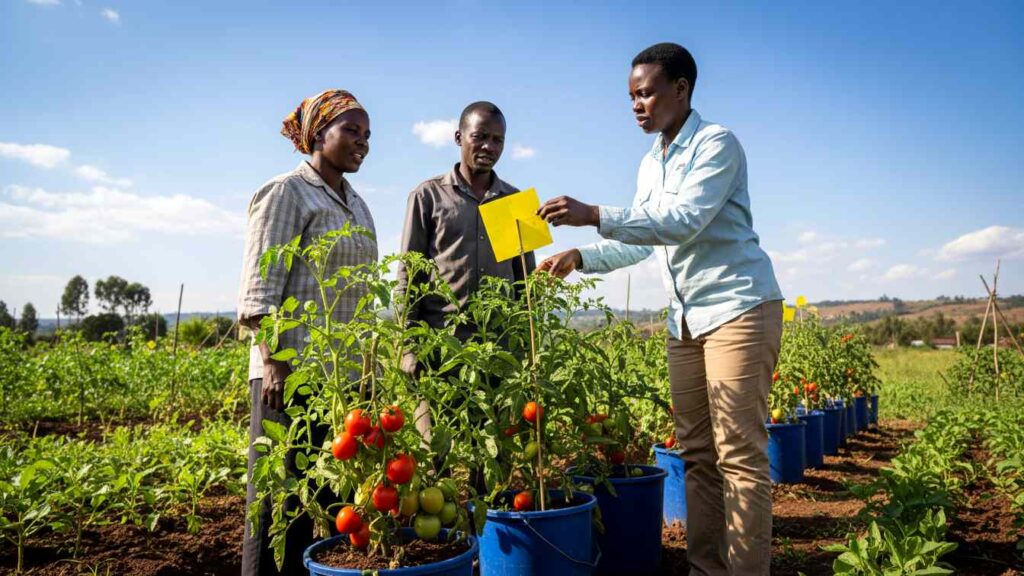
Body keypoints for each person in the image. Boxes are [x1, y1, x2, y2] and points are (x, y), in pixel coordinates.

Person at [537, 43, 783, 576]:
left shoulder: (716, 144)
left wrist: (594, 214)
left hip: (737, 307)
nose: (636, 105)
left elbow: (683, 220)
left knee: (739, 456)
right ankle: (705, 569)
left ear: (681, 89)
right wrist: (581, 255)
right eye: (631, 96)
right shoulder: (653, 161)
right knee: (696, 453)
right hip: (686, 319)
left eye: (646, 93)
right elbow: (645, 240)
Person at [237, 89, 377, 576]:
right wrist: (273, 361)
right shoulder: (286, 192)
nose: (362, 143)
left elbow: (361, 298)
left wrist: (366, 368)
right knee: (279, 506)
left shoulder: (356, 205)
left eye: (367, 135)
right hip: (289, 376)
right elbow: (260, 288)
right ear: (318, 134)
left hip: (335, 383)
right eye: (351, 131)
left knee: (327, 499)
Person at [395, 101, 535, 482]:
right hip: (440, 348)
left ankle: (485, 535)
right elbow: (408, 274)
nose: (489, 146)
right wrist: (408, 346)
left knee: (491, 457)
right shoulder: (428, 196)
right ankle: (443, 542)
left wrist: (529, 349)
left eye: (498, 140)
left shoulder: (513, 201)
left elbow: (526, 283)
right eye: (480, 137)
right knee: (432, 457)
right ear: (459, 138)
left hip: (497, 352)